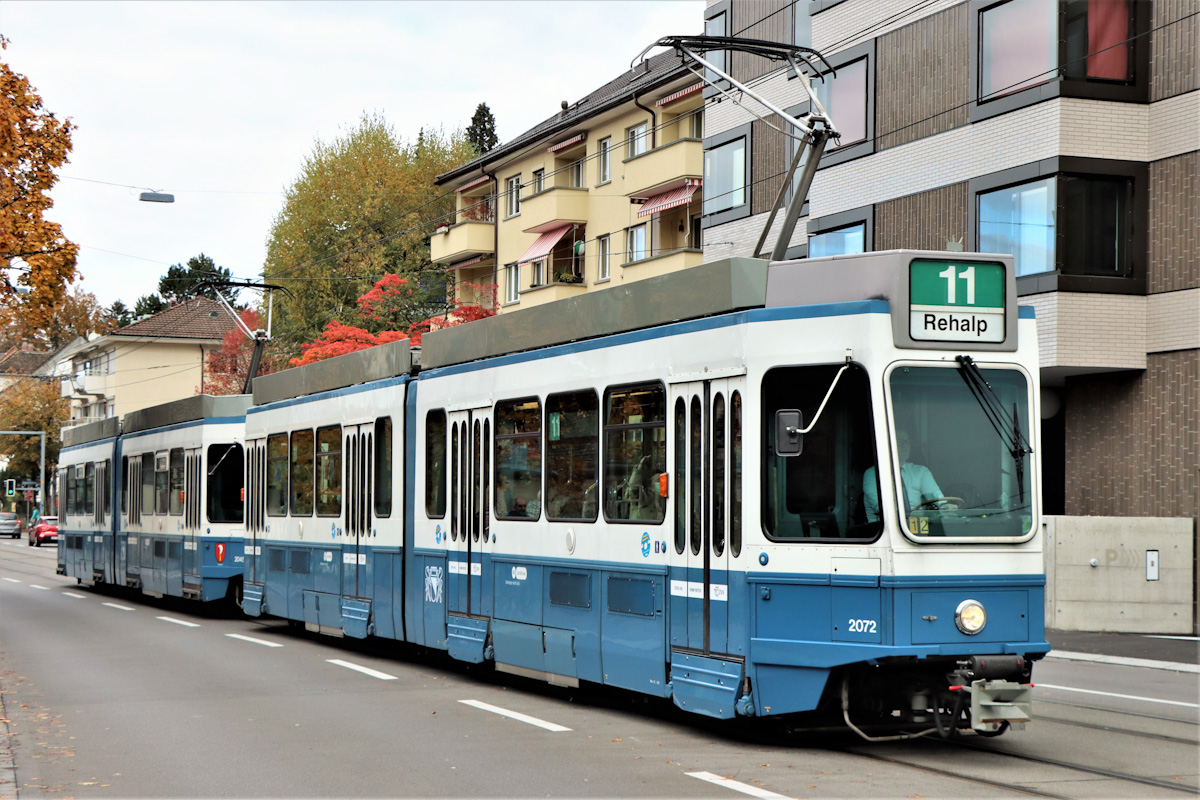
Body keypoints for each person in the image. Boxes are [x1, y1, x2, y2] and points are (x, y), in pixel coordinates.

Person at [863, 430, 950, 522]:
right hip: (885, 528)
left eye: (907, 442)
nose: (906, 446)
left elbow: (934, 496)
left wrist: (943, 505)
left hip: (918, 529)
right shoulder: (873, 474)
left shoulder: (920, 471)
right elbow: (882, 507)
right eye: (900, 442)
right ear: (888, 445)